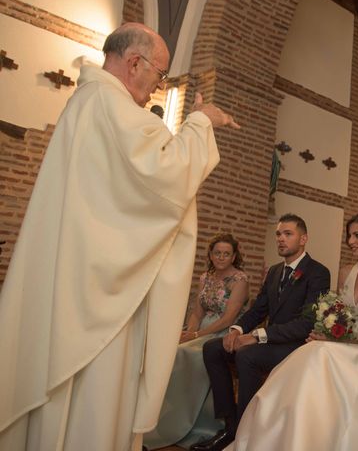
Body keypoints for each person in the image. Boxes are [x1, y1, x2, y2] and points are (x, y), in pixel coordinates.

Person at [0, 23, 239, 451]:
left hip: (81, 283)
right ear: (134, 63)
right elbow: (165, 177)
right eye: (160, 75)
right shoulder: (110, 106)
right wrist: (201, 122)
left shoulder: (88, 103)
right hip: (102, 302)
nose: (157, 87)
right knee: (96, 401)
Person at [231, 213, 358, 451]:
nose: (351, 241)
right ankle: (286, 434)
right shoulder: (345, 272)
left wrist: (337, 337)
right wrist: (328, 331)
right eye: (349, 236)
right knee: (312, 353)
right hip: (343, 343)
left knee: (320, 355)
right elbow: (337, 315)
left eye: (357, 235)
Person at [192, 214, 330, 451]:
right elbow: (258, 309)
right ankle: (230, 424)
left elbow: (306, 323)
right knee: (213, 348)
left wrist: (256, 336)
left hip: (297, 345)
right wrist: (236, 330)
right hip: (271, 341)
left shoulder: (318, 272)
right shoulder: (275, 271)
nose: (281, 239)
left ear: (304, 238)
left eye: (288, 234)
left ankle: (247, 430)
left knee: (247, 356)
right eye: (278, 234)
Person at [144, 234, 249, 449]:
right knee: (173, 350)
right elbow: (197, 313)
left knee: (192, 355)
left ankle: (199, 424)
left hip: (224, 332)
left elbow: (229, 318)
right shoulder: (205, 278)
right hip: (202, 331)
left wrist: (195, 337)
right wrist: (189, 332)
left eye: (226, 253)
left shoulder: (240, 280)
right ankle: (167, 419)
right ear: (210, 255)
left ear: (233, 256)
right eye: (217, 253)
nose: (221, 257)